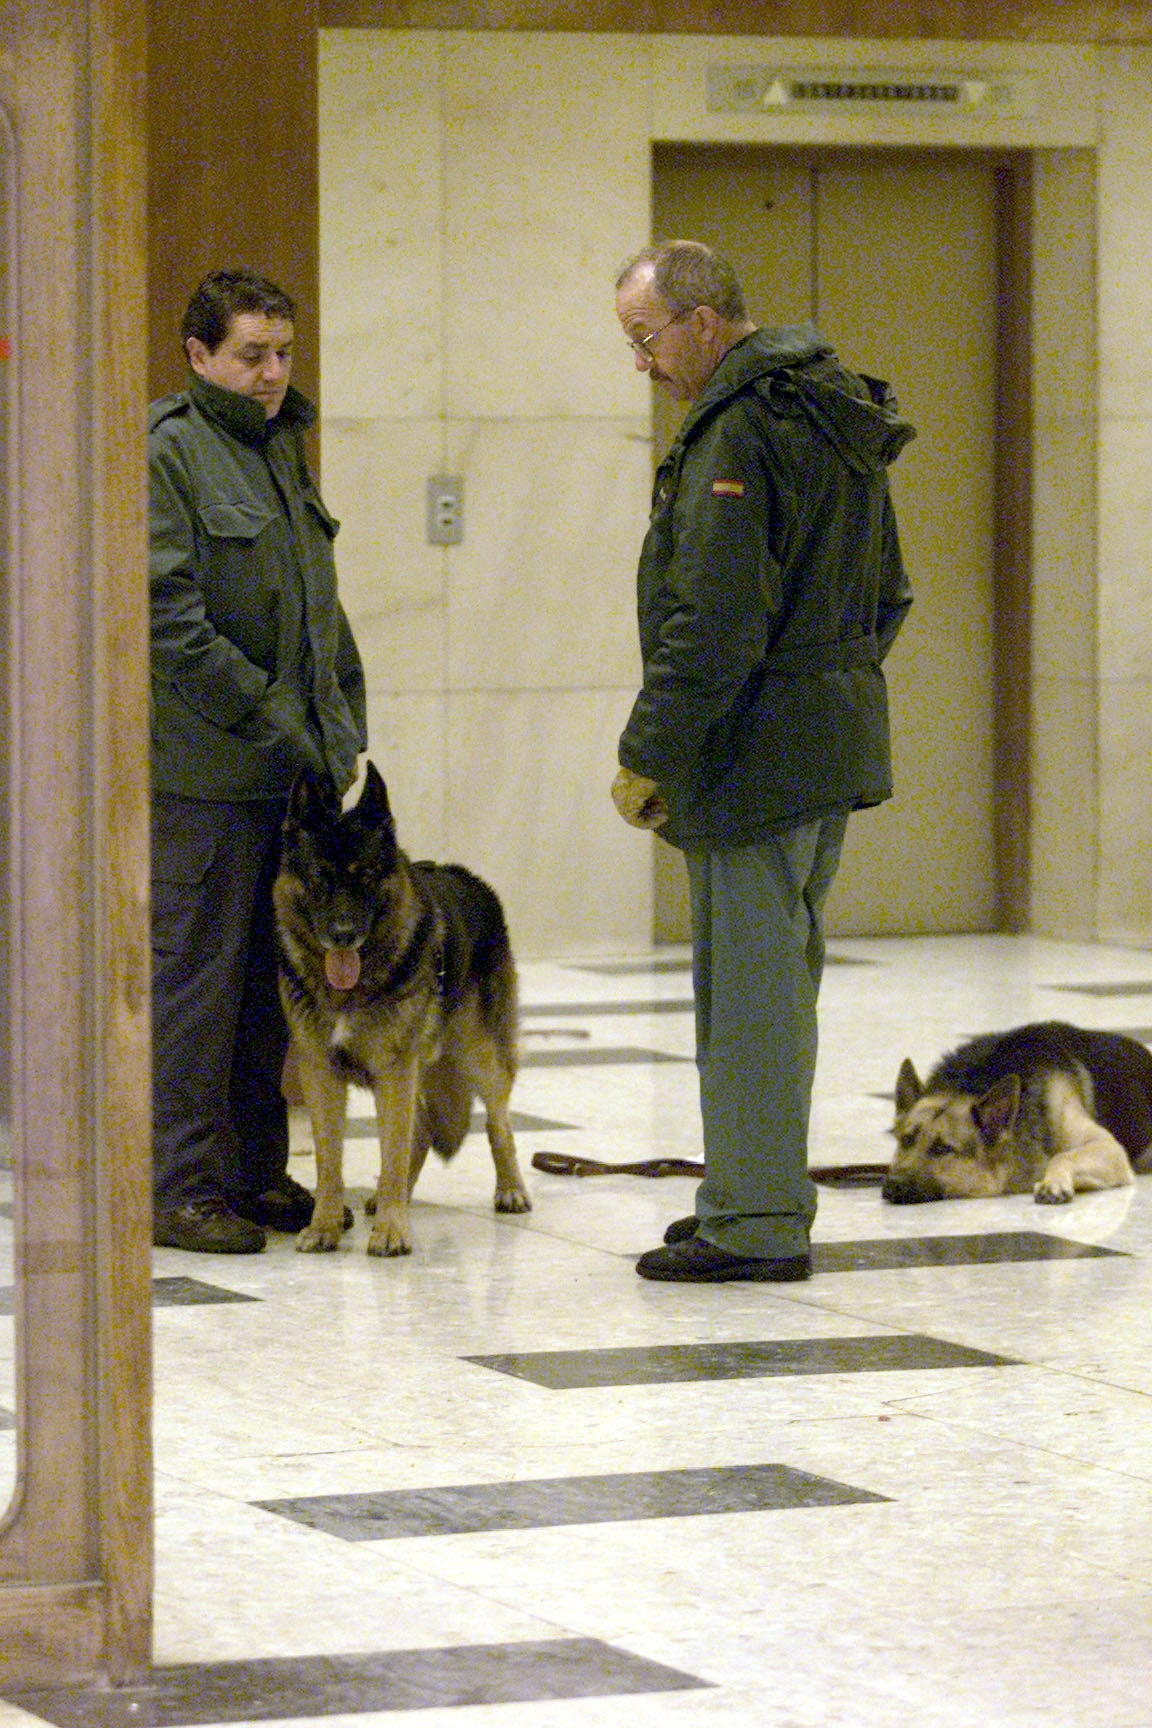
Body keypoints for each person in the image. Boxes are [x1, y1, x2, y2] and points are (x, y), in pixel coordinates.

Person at [611, 240, 913, 1283]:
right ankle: (746, 1197)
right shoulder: (832, 412)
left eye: (646, 341)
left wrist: (650, 754)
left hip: (757, 757)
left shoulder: (740, 426)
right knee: (775, 985)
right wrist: (825, 689)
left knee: (750, 996)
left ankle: (756, 1223)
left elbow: (715, 624)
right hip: (821, 743)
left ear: (702, 322)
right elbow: (890, 594)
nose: (642, 364)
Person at [149, 268, 367, 1253]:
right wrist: (280, 716)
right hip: (200, 774)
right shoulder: (170, 455)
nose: (271, 374)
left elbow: (316, 606)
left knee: (261, 991)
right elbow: (172, 625)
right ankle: (179, 1186)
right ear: (198, 356)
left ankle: (251, 1170)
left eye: (282, 354)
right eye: (250, 355)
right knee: (194, 986)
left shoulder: (280, 448)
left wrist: (343, 719)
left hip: (286, 773)